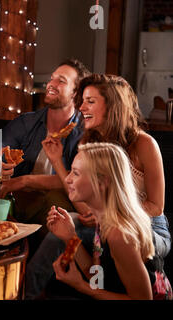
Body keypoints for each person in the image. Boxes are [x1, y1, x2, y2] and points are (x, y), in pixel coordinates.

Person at [26, 73, 171, 299]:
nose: (81, 107)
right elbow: (96, 273)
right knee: (66, 232)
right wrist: (71, 237)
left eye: (90, 101)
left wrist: (111, 212)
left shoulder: (144, 144)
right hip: (108, 218)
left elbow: (156, 206)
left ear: (113, 106)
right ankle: (27, 292)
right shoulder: (88, 142)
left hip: (149, 225)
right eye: (82, 100)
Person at [49, 142, 171, 299]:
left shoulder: (119, 234)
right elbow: (97, 277)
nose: (67, 180)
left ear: (102, 182)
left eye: (76, 173)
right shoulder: (104, 217)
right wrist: (70, 237)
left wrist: (81, 286)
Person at [0, 59, 92, 244]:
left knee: (57, 202)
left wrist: (25, 180)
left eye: (61, 81)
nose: (51, 84)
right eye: (52, 78)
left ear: (76, 92)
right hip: (17, 199)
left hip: (55, 202)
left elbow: (79, 181)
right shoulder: (26, 123)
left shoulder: (85, 132)